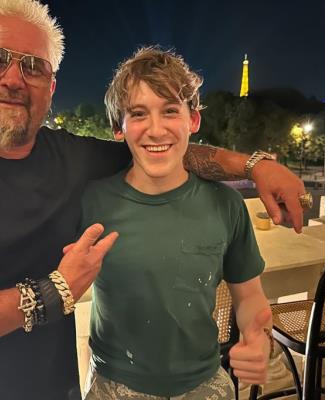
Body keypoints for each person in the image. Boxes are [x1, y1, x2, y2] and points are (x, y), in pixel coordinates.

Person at [0, 0, 304, 399]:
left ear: (51, 85)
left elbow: (164, 151)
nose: (13, 78)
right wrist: (53, 293)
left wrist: (255, 165)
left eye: (33, 66)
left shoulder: (76, 160)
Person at [81, 47, 271, 399]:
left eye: (170, 111)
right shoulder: (91, 202)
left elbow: (251, 297)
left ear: (193, 120)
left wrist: (257, 336)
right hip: (112, 384)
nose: (156, 130)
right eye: (138, 114)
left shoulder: (226, 204)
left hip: (205, 382)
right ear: (118, 127)